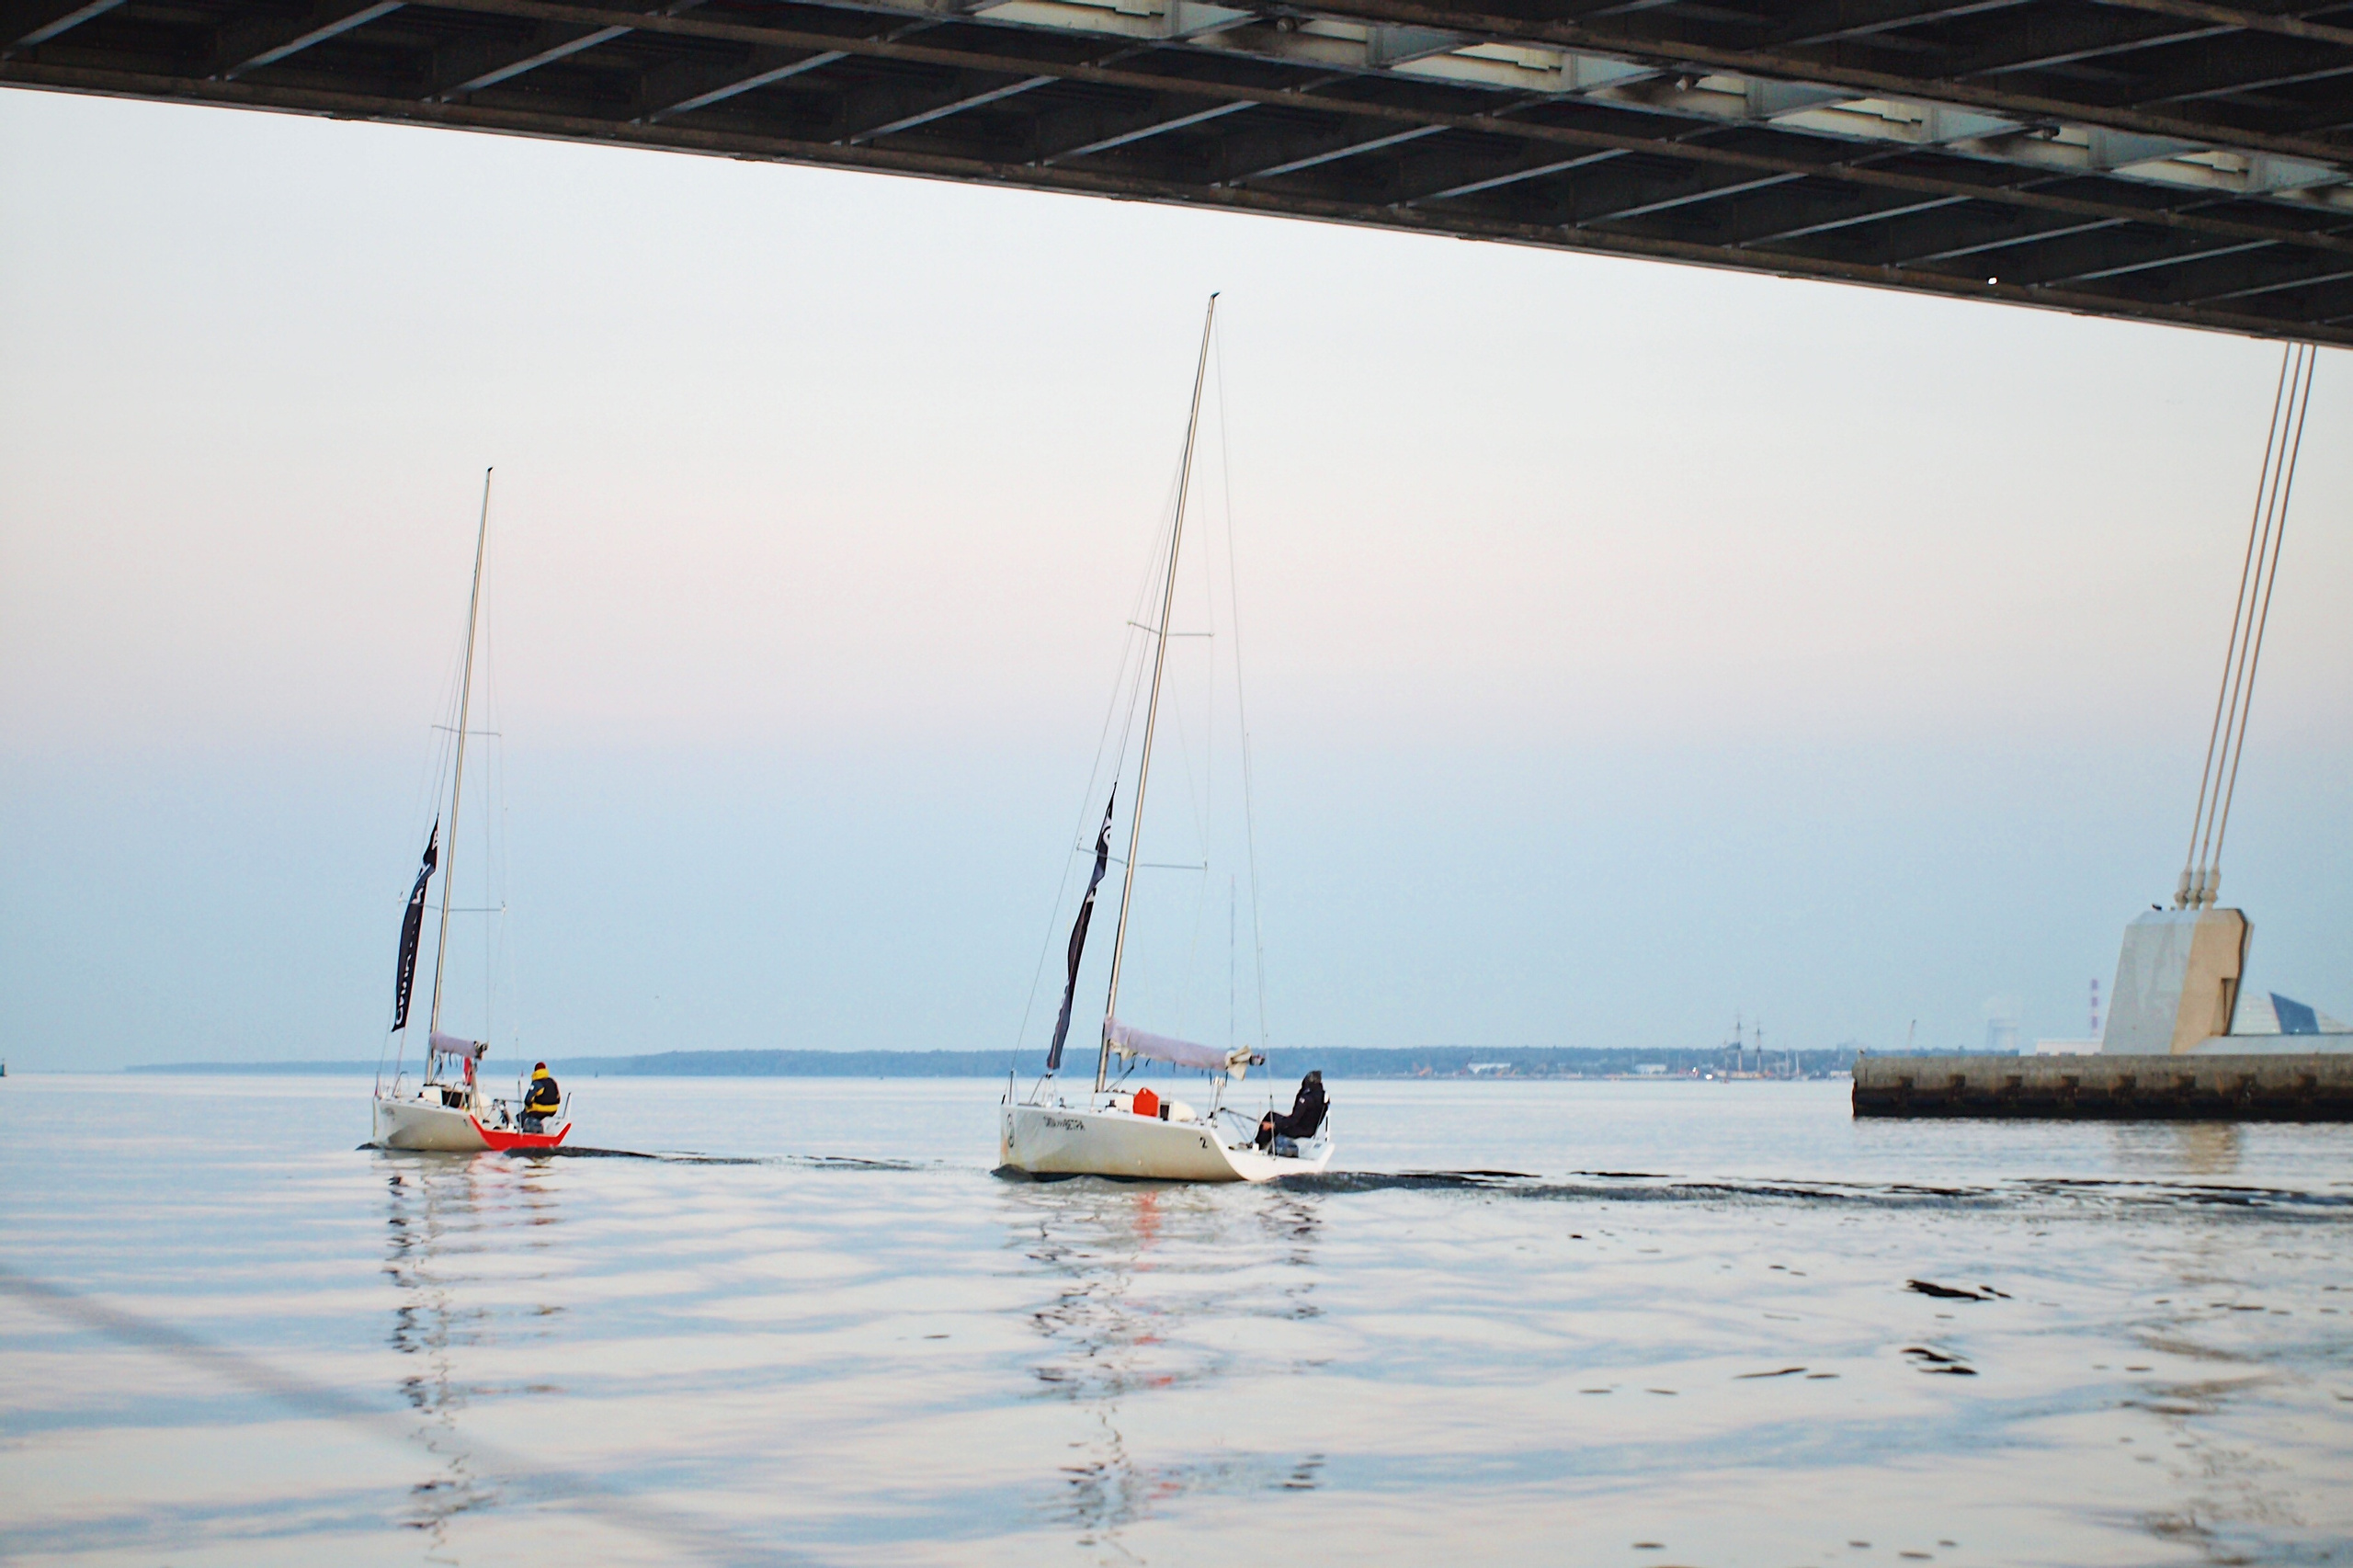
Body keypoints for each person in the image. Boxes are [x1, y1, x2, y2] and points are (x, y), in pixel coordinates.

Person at [1256, 1071, 1327, 1152]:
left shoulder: (1305, 1098)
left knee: (1271, 1116)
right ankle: (1267, 1145)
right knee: (1275, 1117)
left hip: (1298, 1129)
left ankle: (1258, 1146)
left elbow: (1293, 1120)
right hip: (1310, 1130)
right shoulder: (1323, 1097)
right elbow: (1309, 1115)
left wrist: (1273, 1125)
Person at [521, 1062, 562, 1131]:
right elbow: (558, 1099)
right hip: (553, 1110)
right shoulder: (552, 1082)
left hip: (539, 1110)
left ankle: (522, 1132)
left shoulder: (537, 1083)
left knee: (521, 1116)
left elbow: (528, 1100)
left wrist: (528, 1106)